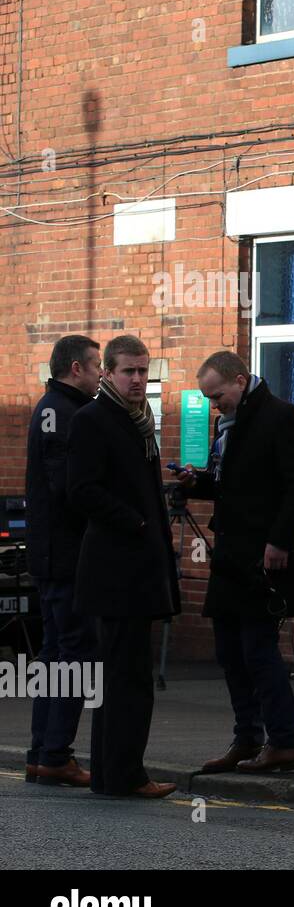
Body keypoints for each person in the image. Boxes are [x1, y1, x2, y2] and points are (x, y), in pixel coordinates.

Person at [175, 351, 294, 774]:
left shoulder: (281, 416)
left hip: (264, 557)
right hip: (231, 555)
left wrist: (279, 541)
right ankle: (248, 738)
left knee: (258, 651)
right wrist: (196, 481)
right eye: (210, 400)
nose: (216, 406)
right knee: (229, 651)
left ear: (240, 379)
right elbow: (229, 486)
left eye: (218, 396)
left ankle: (284, 743)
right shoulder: (228, 425)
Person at [66, 335, 179, 798]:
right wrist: (134, 520)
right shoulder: (93, 420)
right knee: (125, 679)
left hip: (137, 566)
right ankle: (125, 776)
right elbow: (82, 491)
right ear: (107, 374)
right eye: (129, 371)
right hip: (115, 570)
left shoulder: (139, 420)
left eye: (143, 371)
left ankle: (115, 775)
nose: (138, 379)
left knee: (124, 677)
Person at [25, 335, 102, 786]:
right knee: (75, 653)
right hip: (66, 556)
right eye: (96, 366)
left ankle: (42, 753)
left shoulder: (53, 407)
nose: (99, 375)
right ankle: (55, 754)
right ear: (76, 367)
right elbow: (64, 485)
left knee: (55, 654)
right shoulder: (63, 411)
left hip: (49, 554)